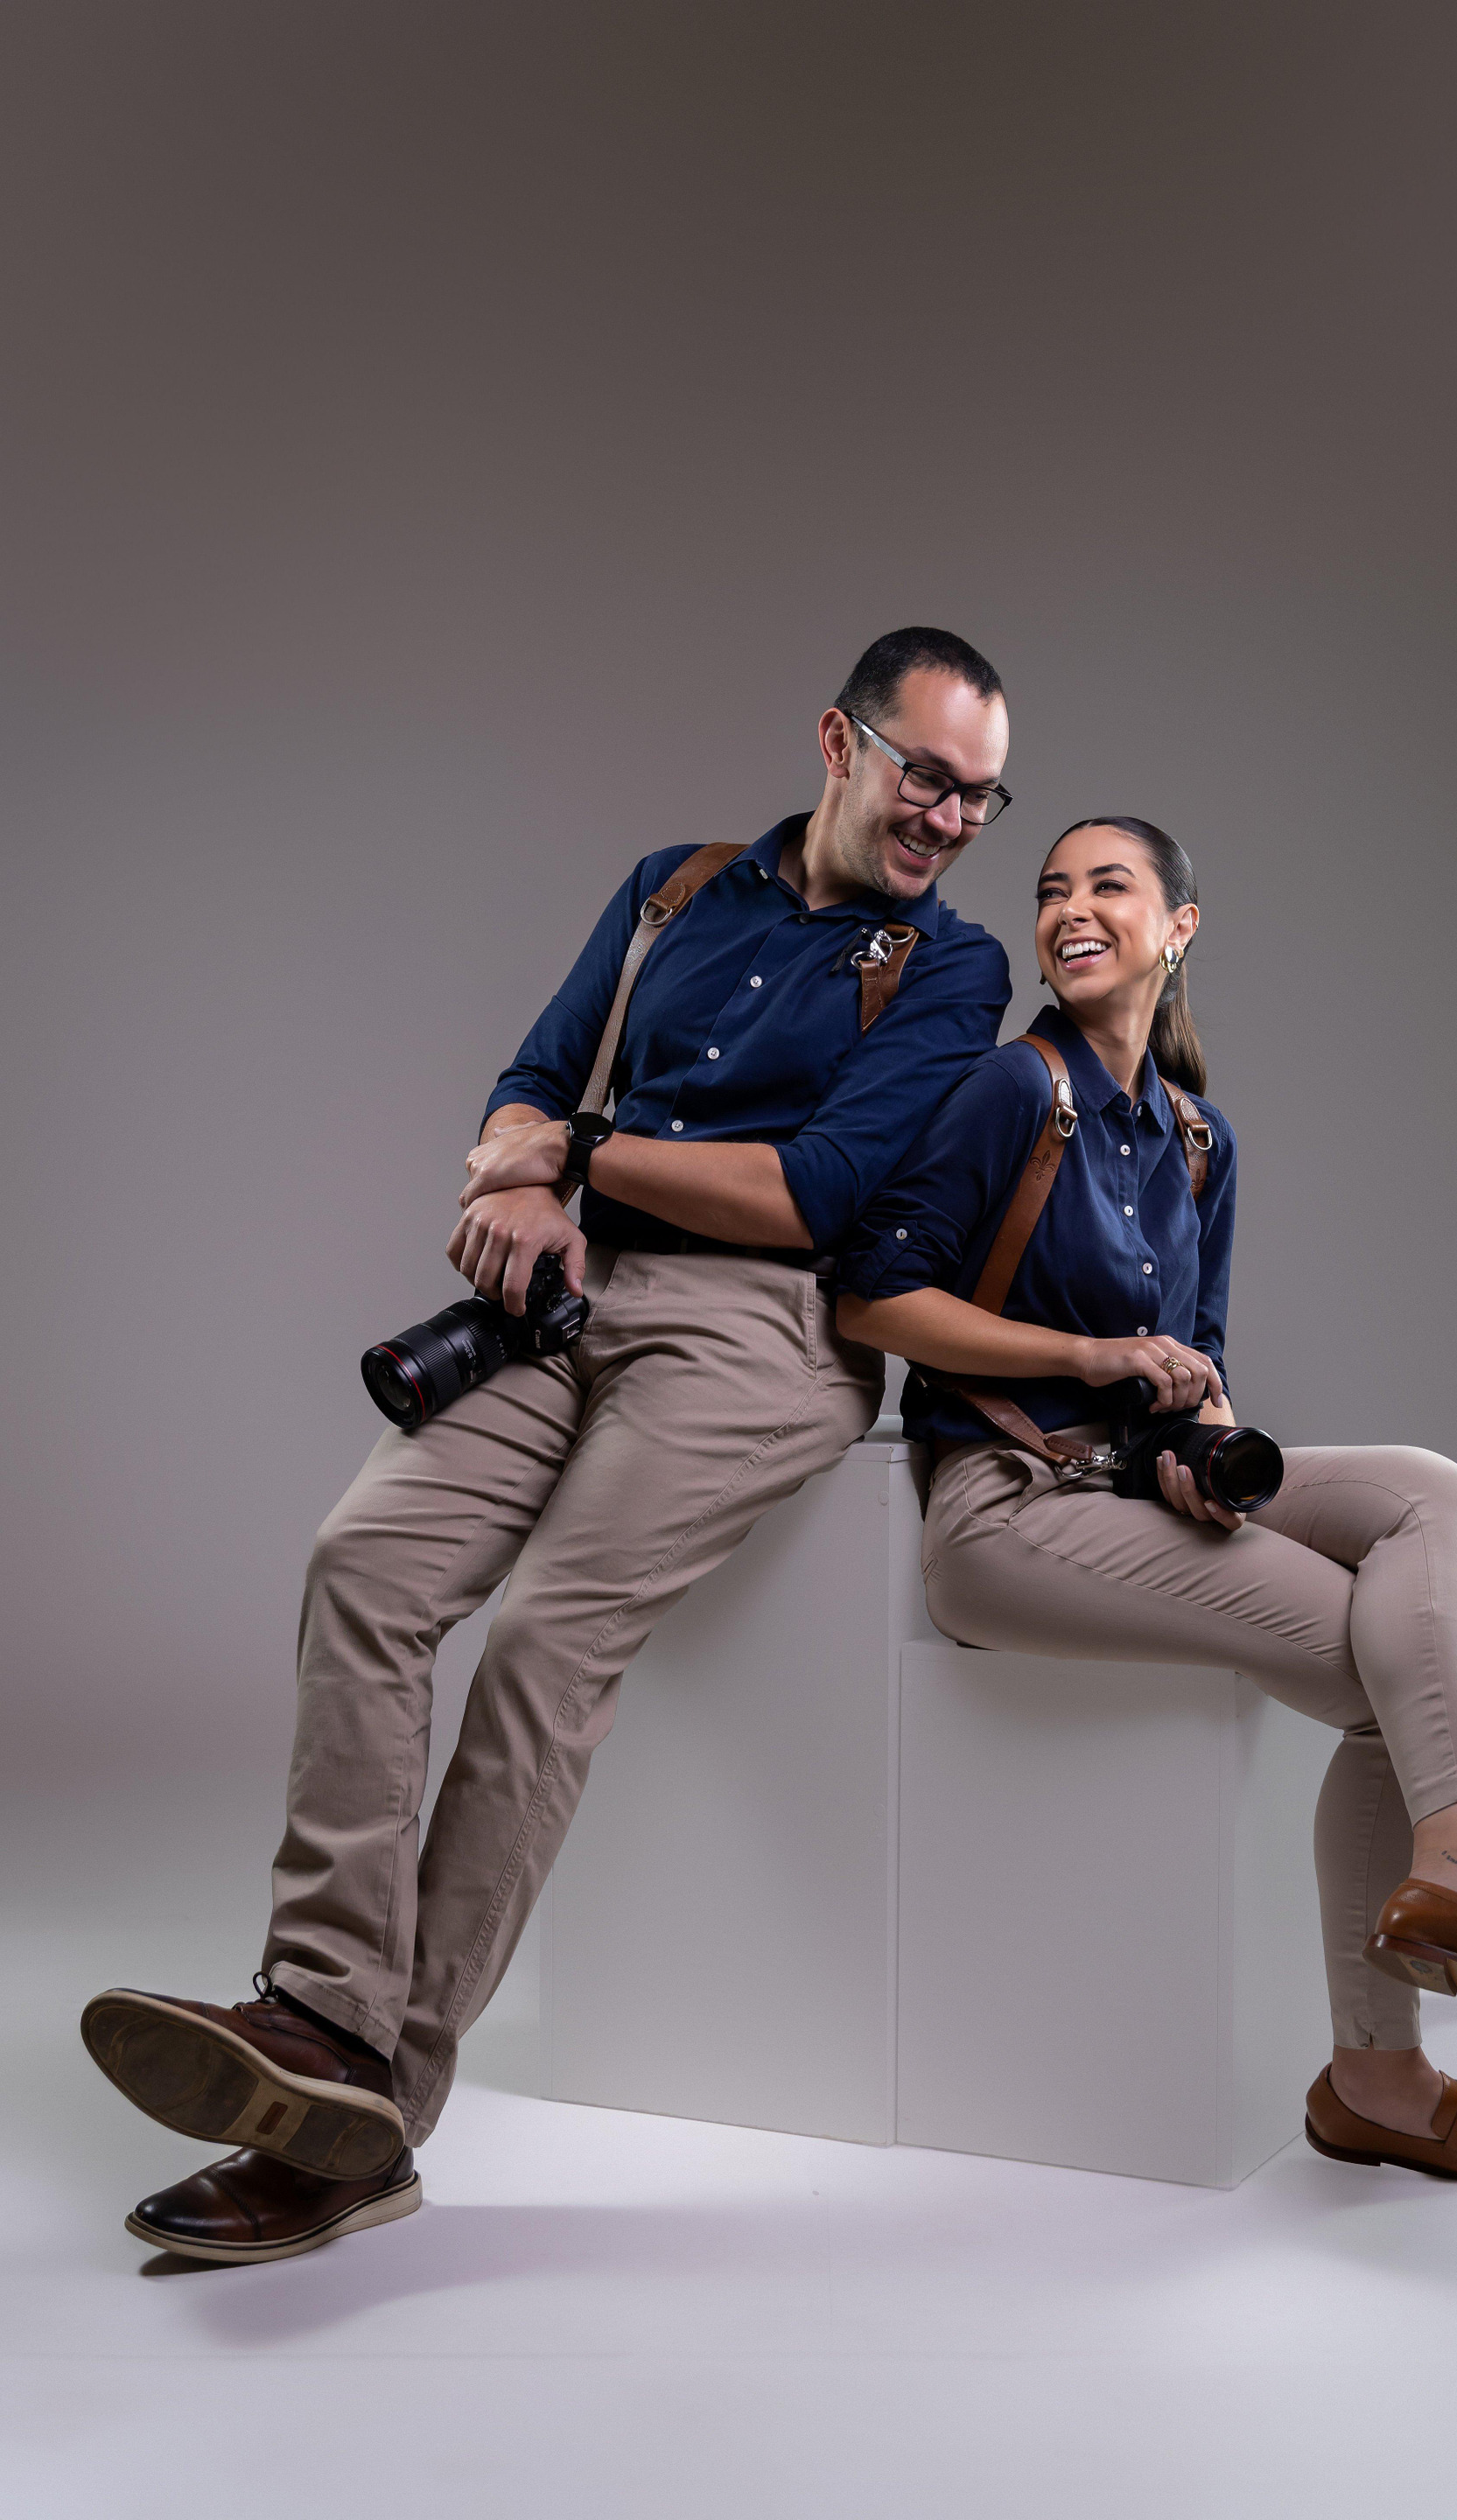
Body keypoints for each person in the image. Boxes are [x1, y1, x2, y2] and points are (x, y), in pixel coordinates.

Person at [83, 627, 1015, 2263]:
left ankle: (374, 2100)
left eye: (983, 797)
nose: (949, 819)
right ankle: (316, 2015)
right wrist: (520, 1178)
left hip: (761, 1334)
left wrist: (569, 1153)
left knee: (544, 1643)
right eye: (926, 775)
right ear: (838, 740)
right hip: (571, 1295)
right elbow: (531, 1073)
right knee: (364, 1565)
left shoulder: (953, 967)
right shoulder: (674, 889)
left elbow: (815, 1192)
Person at [835, 814, 1457, 2182]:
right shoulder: (1011, 1091)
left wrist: (1201, 1450)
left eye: (1109, 885)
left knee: (1431, 1493)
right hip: (1009, 1506)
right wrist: (1087, 1359)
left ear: (1180, 926)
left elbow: (1200, 1368)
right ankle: (1385, 2067)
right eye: (1051, 890)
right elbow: (874, 1297)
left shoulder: (1199, 1141)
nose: (1070, 909)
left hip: (1132, 1491)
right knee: (1396, 1668)